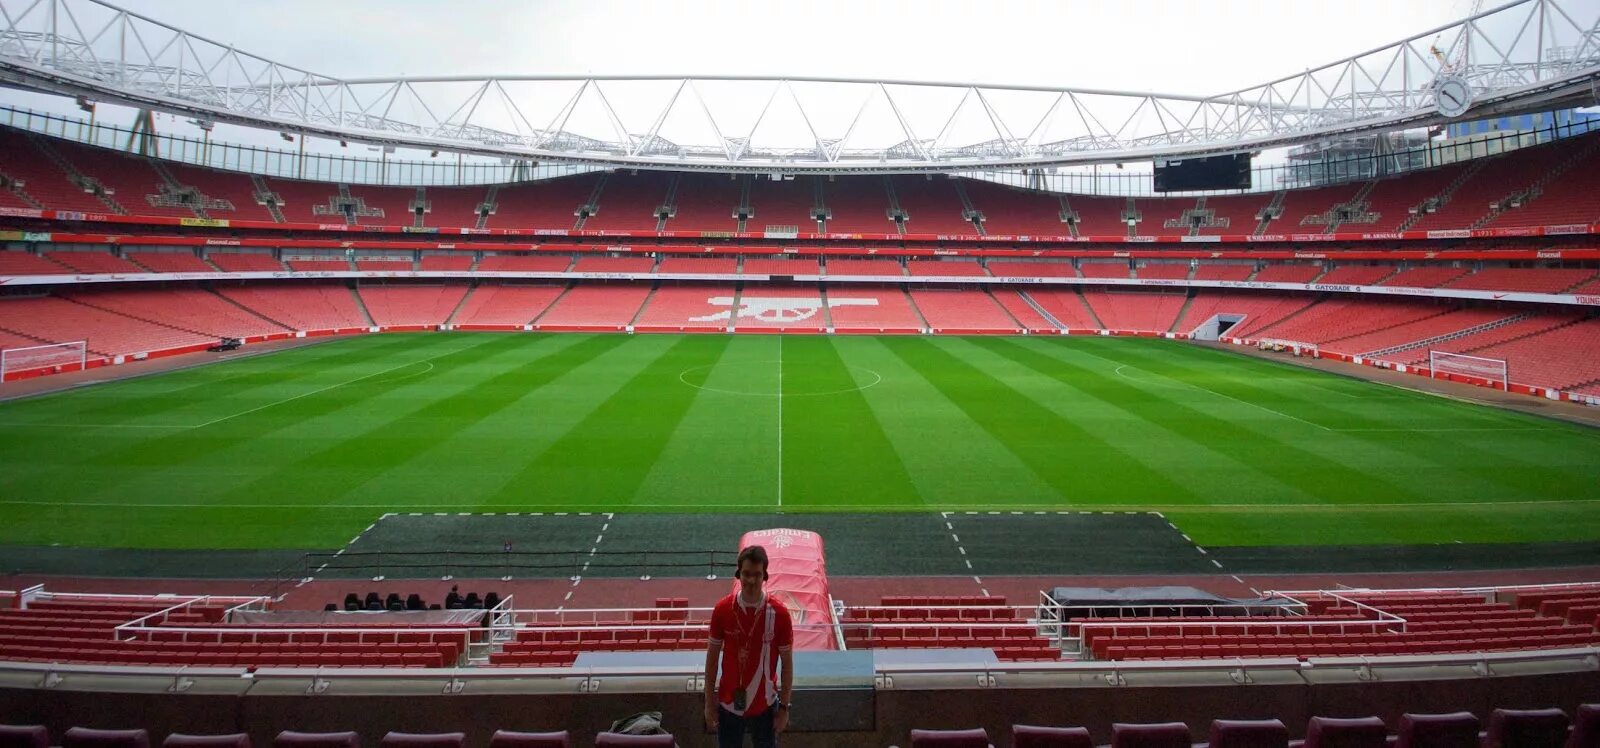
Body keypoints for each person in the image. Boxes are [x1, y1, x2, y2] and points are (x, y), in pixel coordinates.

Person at [705, 545, 794, 748]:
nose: (751, 581)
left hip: (765, 706)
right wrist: (709, 703)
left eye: (757, 574)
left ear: (765, 576)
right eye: (746, 574)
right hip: (728, 704)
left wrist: (785, 708)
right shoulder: (723, 610)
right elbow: (711, 660)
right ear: (738, 574)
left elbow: (787, 664)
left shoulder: (779, 614)